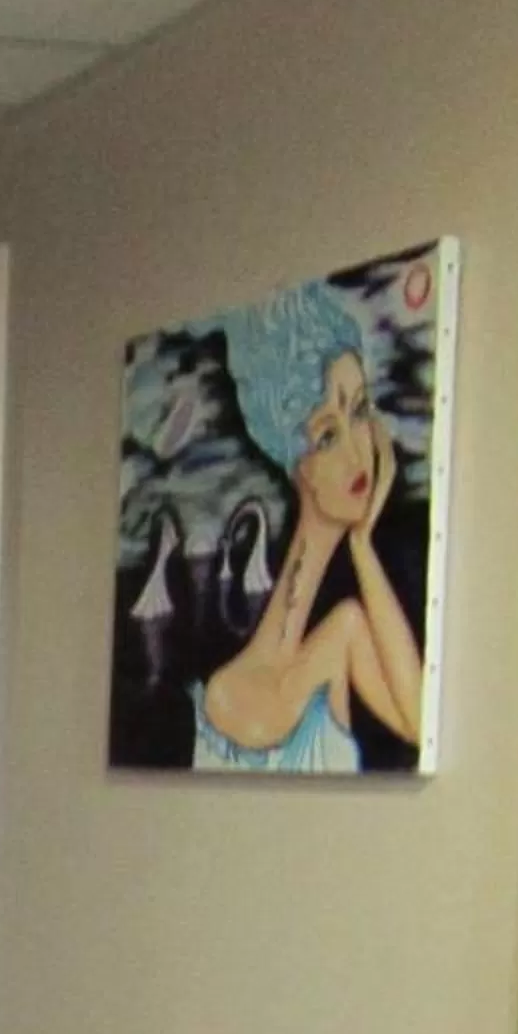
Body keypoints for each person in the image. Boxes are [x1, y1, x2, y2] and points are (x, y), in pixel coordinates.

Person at [192, 281, 427, 772]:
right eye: (326, 435)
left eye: (360, 410)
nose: (356, 450)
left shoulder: (345, 633)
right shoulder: (224, 694)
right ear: (294, 462)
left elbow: (420, 725)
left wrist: (362, 545)